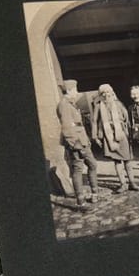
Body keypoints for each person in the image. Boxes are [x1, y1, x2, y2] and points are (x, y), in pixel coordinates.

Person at [56, 79, 99, 209]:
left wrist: (86, 140)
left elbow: (78, 125)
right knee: (78, 169)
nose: (77, 92)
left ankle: (94, 193)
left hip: (82, 141)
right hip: (76, 143)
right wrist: (76, 145)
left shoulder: (70, 103)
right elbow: (67, 128)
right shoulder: (64, 105)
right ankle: (81, 201)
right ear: (69, 90)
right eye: (75, 90)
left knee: (92, 165)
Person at [93, 83, 139, 193]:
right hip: (109, 136)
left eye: (108, 92)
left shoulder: (118, 104)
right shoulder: (98, 106)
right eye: (103, 93)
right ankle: (123, 184)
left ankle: (132, 182)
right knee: (117, 160)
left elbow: (127, 119)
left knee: (127, 159)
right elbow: (94, 121)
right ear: (100, 95)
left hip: (121, 134)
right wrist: (95, 136)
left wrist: (130, 133)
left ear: (111, 92)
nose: (106, 95)